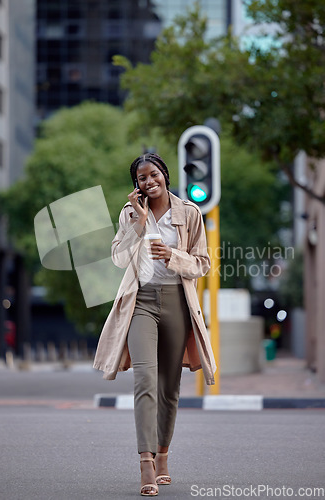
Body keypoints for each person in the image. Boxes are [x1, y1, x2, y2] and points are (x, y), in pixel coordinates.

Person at [93, 153, 216, 496]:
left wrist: (172, 256)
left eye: (154, 174)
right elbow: (118, 259)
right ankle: (145, 462)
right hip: (141, 302)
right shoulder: (131, 213)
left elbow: (202, 265)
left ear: (164, 175)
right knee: (145, 378)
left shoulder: (189, 213)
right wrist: (138, 227)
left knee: (169, 388)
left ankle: (163, 455)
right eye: (142, 178)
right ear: (137, 185)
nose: (150, 181)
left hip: (177, 302)